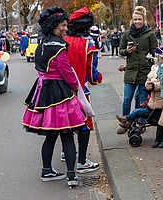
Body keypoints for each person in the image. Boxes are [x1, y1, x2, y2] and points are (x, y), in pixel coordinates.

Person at [22, 6, 83, 187]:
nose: (66, 28)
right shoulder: (59, 47)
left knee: (50, 135)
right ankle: (71, 176)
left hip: (43, 92)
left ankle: (46, 170)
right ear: (54, 26)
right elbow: (68, 74)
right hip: (60, 94)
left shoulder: (41, 45)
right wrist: (75, 88)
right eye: (63, 25)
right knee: (67, 134)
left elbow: (39, 69)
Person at [64, 7, 102, 174]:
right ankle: (81, 162)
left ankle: (66, 152)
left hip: (62, 92)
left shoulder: (61, 40)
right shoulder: (88, 45)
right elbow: (92, 77)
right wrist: (98, 77)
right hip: (80, 92)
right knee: (82, 127)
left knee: (65, 124)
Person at [117, 47, 163, 148]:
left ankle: (162, 139)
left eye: (156, 57)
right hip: (152, 101)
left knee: (160, 122)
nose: (154, 58)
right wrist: (148, 85)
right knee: (145, 113)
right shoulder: (154, 69)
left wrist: (153, 85)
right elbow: (148, 79)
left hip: (161, 101)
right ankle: (128, 121)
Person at [117, 6, 157, 134]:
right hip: (130, 71)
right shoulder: (127, 34)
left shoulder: (150, 34)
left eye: (139, 19)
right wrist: (127, 51)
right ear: (132, 20)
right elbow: (120, 51)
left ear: (144, 19)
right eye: (135, 19)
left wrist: (154, 67)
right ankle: (125, 122)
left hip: (144, 72)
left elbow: (154, 52)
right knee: (127, 99)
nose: (137, 22)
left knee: (141, 99)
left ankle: (140, 123)